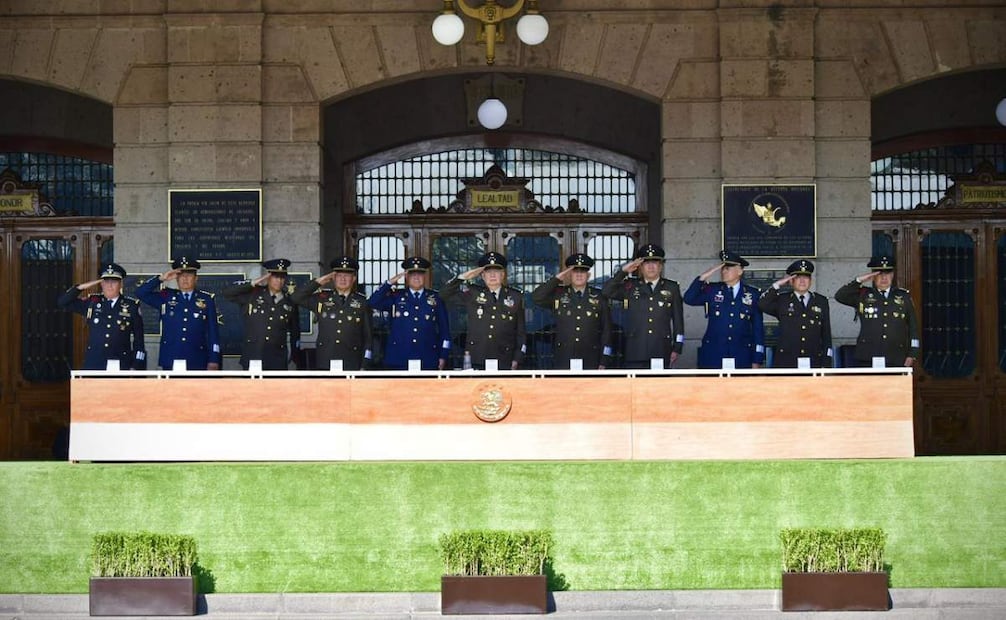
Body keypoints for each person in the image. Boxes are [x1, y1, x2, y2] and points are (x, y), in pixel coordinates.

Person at [600, 243, 684, 369]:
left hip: (661, 348)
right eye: (646, 263)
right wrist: (623, 272)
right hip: (635, 349)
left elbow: (678, 320)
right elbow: (606, 291)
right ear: (640, 267)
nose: (651, 266)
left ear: (660, 266)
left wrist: (677, 347)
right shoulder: (630, 286)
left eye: (655, 262)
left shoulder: (671, 288)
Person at [441, 251, 526, 370]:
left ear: (503, 275)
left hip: (504, 358)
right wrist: (462, 278)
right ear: (482, 276)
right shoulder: (472, 293)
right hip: (477, 357)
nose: (492, 276)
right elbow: (443, 295)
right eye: (488, 272)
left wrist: (517, 358)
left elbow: (520, 333)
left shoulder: (515, 297)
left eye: (496, 272)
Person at [136, 257, 222, 370]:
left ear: (196, 278)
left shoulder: (206, 300)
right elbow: (141, 293)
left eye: (189, 275)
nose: (185, 279)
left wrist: (214, 359)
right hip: (171, 358)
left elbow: (213, 332)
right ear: (176, 278)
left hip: (197, 359)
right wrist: (161, 278)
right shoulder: (166, 297)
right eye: (181, 275)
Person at [683, 250, 765, 369]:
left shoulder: (753, 294)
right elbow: (689, 299)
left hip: (741, 355)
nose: (724, 271)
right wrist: (702, 278)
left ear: (740, 271)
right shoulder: (713, 290)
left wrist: (757, 359)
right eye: (723, 267)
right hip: (714, 355)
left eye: (729, 267)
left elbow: (758, 329)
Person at [56, 262, 146, 370]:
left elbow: (139, 340)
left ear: (121, 284)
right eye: (106, 281)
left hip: (121, 363)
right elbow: (63, 302)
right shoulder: (92, 303)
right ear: (101, 284)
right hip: (95, 363)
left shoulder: (132, 306)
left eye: (114, 282)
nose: (110, 285)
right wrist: (80, 287)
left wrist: (136, 366)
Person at [834, 254, 919, 367]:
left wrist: (912, 354)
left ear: (893, 275)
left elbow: (913, 328)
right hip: (868, 356)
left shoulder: (904, 297)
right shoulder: (863, 295)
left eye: (887, 273)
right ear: (873, 276)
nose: (884, 278)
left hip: (896, 356)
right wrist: (859, 280)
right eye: (879, 274)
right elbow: (840, 296)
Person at [532, 253, 613, 370]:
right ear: (569, 274)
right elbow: (536, 297)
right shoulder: (559, 294)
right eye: (575, 271)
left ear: (588, 275)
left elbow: (607, 330)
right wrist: (557, 279)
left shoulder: (599, 296)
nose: (579, 275)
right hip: (564, 356)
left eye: (583, 271)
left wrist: (604, 360)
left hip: (591, 357)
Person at [368, 256, 451, 370]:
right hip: (398, 359)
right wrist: (389, 283)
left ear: (425, 276)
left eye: (420, 273)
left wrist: (443, 355)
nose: (416, 277)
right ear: (406, 276)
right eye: (412, 274)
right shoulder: (396, 297)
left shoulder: (435, 298)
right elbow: (372, 302)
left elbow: (444, 331)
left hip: (427, 358)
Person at [292, 256, 372, 371]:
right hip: (325, 360)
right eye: (339, 275)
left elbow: (368, 337)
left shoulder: (362, 302)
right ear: (333, 278)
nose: (342, 279)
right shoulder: (322, 299)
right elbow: (295, 298)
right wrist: (317, 282)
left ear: (354, 278)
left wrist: (365, 364)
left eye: (347, 276)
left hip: (352, 361)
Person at [221, 258, 300, 370]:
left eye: (282, 277)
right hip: (253, 355)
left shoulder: (290, 302)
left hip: (277, 359)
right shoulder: (253, 295)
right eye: (275, 277)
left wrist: (294, 353)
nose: (279, 281)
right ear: (268, 277)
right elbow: (227, 293)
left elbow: (295, 331)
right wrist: (253, 283)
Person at [757, 259, 833, 368]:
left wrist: (826, 363)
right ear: (791, 281)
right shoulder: (782, 300)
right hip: (787, 361)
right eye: (798, 277)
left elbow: (826, 335)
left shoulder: (821, 301)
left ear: (811, 280)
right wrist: (777, 285)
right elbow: (762, 304)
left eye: (806, 277)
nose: (802, 281)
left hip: (814, 360)